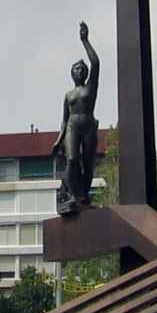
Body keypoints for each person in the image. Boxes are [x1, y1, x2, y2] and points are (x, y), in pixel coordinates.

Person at [51, 22, 101, 215]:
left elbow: (96, 63)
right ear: (71, 73)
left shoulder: (90, 88)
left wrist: (85, 40)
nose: (79, 71)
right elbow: (64, 119)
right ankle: (74, 194)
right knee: (72, 160)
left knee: (88, 163)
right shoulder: (68, 95)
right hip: (72, 127)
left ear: (86, 72)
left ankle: (83, 196)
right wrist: (58, 140)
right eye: (76, 69)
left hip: (88, 125)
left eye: (81, 68)